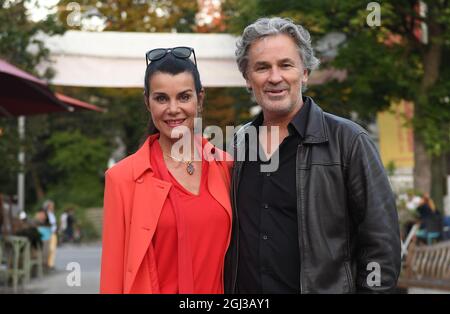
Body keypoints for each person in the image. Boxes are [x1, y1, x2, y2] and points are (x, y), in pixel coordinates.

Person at [224, 17, 401, 294]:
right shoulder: (236, 145)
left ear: (304, 72)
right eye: (262, 67)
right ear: (248, 78)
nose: (274, 77)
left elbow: (382, 245)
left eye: (285, 65)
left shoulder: (349, 141)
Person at [100, 47, 233, 294]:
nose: (173, 109)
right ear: (147, 102)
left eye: (184, 97)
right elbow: (112, 276)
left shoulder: (227, 167)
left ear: (200, 99)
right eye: (161, 98)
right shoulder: (122, 179)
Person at [43, 200, 58, 269]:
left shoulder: (51, 213)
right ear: (48, 206)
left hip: (53, 232)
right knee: (50, 249)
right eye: (52, 206)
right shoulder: (46, 214)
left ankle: (50, 264)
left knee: (53, 249)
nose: (53, 207)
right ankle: (48, 264)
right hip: (49, 233)